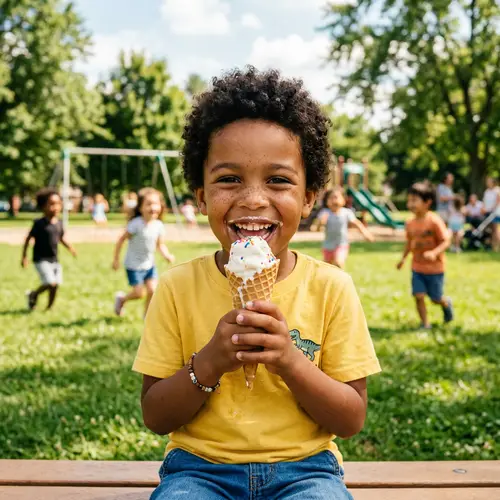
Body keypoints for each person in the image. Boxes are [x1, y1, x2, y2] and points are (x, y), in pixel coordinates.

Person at [133, 67, 381, 500]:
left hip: (307, 471)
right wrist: (209, 362)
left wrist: (289, 360)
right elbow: (156, 416)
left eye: (278, 180)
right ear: (201, 196)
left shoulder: (332, 288)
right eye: (228, 179)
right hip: (198, 470)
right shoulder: (175, 287)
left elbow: (350, 419)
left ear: (307, 199)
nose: (252, 199)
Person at [397, 182, 454, 329]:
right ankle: (425, 324)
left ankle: (445, 302)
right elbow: (409, 243)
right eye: (409, 200)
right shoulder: (409, 223)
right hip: (417, 267)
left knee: (435, 298)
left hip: (435, 269)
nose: (410, 204)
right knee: (419, 296)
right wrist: (403, 259)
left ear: (427, 202)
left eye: (414, 200)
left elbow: (446, 241)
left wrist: (434, 252)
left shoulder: (434, 220)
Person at [113, 188, 175, 317]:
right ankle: (122, 299)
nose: (153, 207)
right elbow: (121, 240)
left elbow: (160, 245)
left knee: (152, 290)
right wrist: (116, 260)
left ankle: (147, 317)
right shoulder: (135, 224)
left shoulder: (158, 225)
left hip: (149, 265)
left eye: (156, 204)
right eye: (148, 204)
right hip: (134, 265)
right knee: (139, 293)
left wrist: (166, 255)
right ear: (140, 207)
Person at [21, 188, 77, 311]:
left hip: (54, 259)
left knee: (55, 285)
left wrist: (71, 248)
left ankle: (48, 308)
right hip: (40, 259)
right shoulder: (39, 223)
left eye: (58, 204)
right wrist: (24, 257)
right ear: (43, 206)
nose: (55, 207)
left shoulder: (59, 223)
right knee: (50, 283)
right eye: (51, 204)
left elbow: (61, 238)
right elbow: (28, 239)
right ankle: (34, 294)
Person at [319, 187, 375, 268]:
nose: (334, 200)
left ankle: (340, 279)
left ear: (343, 200)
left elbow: (357, 224)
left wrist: (366, 234)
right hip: (328, 246)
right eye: (331, 198)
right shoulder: (325, 213)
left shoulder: (346, 213)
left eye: (336, 197)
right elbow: (317, 227)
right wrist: (321, 223)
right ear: (327, 201)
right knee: (327, 267)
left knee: (338, 263)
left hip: (342, 244)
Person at [482, 176, 500, 251]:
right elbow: (484, 202)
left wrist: (491, 209)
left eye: (489, 181)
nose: (488, 183)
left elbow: (497, 201)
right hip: (488, 212)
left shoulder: (497, 190)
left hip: (495, 213)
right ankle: (493, 246)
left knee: (495, 230)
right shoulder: (486, 191)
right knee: (491, 230)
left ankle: (497, 246)